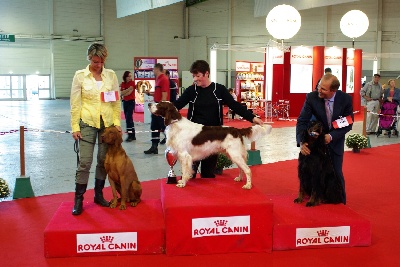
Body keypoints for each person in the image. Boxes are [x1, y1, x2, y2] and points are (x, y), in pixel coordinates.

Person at [174, 60, 264, 178]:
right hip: (194, 139)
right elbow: (176, 106)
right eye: (193, 76)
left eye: (198, 75)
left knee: (208, 175)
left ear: (207, 73)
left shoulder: (219, 89)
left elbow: (234, 105)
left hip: (214, 139)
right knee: (190, 176)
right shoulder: (191, 91)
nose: (195, 79)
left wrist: (252, 118)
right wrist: (161, 109)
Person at [70, 43, 121, 215]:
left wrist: (117, 124)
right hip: (87, 122)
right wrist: (75, 126)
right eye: (94, 61)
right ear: (89, 58)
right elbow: (75, 104)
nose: (97, 65)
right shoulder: (80, 76)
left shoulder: (111, 75)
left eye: (100, 62)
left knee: (102, 161)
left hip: (106, 125)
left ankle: (98, 195)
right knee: (85, 162)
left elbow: (115, 102)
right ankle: (78, 199)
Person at [296, 73, 353, 204]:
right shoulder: (312, 97)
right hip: (313, 145)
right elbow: (302, 121)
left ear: (333, 90)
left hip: (334, 142)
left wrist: (331, 136)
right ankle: (311, 196)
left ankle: (341, 204)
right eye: (319, 86)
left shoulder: (345, 99)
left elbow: (348, 122)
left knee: (336, 174)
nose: (319, 90)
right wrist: (301, 141)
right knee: (308, 172)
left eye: (323, 89)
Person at [144, 63, 170, 154]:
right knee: (154, 127)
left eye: (153, 69)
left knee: (164, 127)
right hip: (156, 107)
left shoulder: (163, 79)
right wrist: (149, 93)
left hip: (160, 108)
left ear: (157, 69)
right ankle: (154, 147)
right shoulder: (158, 79)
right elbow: (158, 93)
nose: (153, 71)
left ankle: (174, 145)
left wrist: (160, 109)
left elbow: (164, 95)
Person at [120, 71, 136, 142]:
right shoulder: (123, 84)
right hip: (125, 102)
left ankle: (130, 135)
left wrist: (126, 91)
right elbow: (122, 93)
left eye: (130, 76)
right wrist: (127, 90)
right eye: (129, 76)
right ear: (125, 77)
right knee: (128, 118)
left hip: (131, 102)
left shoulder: (132, 83)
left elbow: (128, 93)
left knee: (128, 118)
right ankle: (133, 135)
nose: (130, 77)